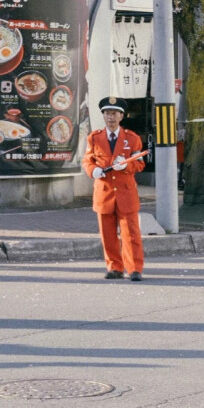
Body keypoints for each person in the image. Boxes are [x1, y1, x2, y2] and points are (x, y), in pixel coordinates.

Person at [82, 96, 146, 281]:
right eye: (107, 113)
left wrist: (125, 166)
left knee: (131, 234)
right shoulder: (94, 138)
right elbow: (88, 160)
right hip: (104, 192)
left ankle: (134, 269)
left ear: (122, 116)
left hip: (126, 193)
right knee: (107, 234)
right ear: (103, 115)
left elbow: (140, 164)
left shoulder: (132, 139)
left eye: (114, 113)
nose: (110, 117)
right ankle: (114, 267)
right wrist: (93, 170)